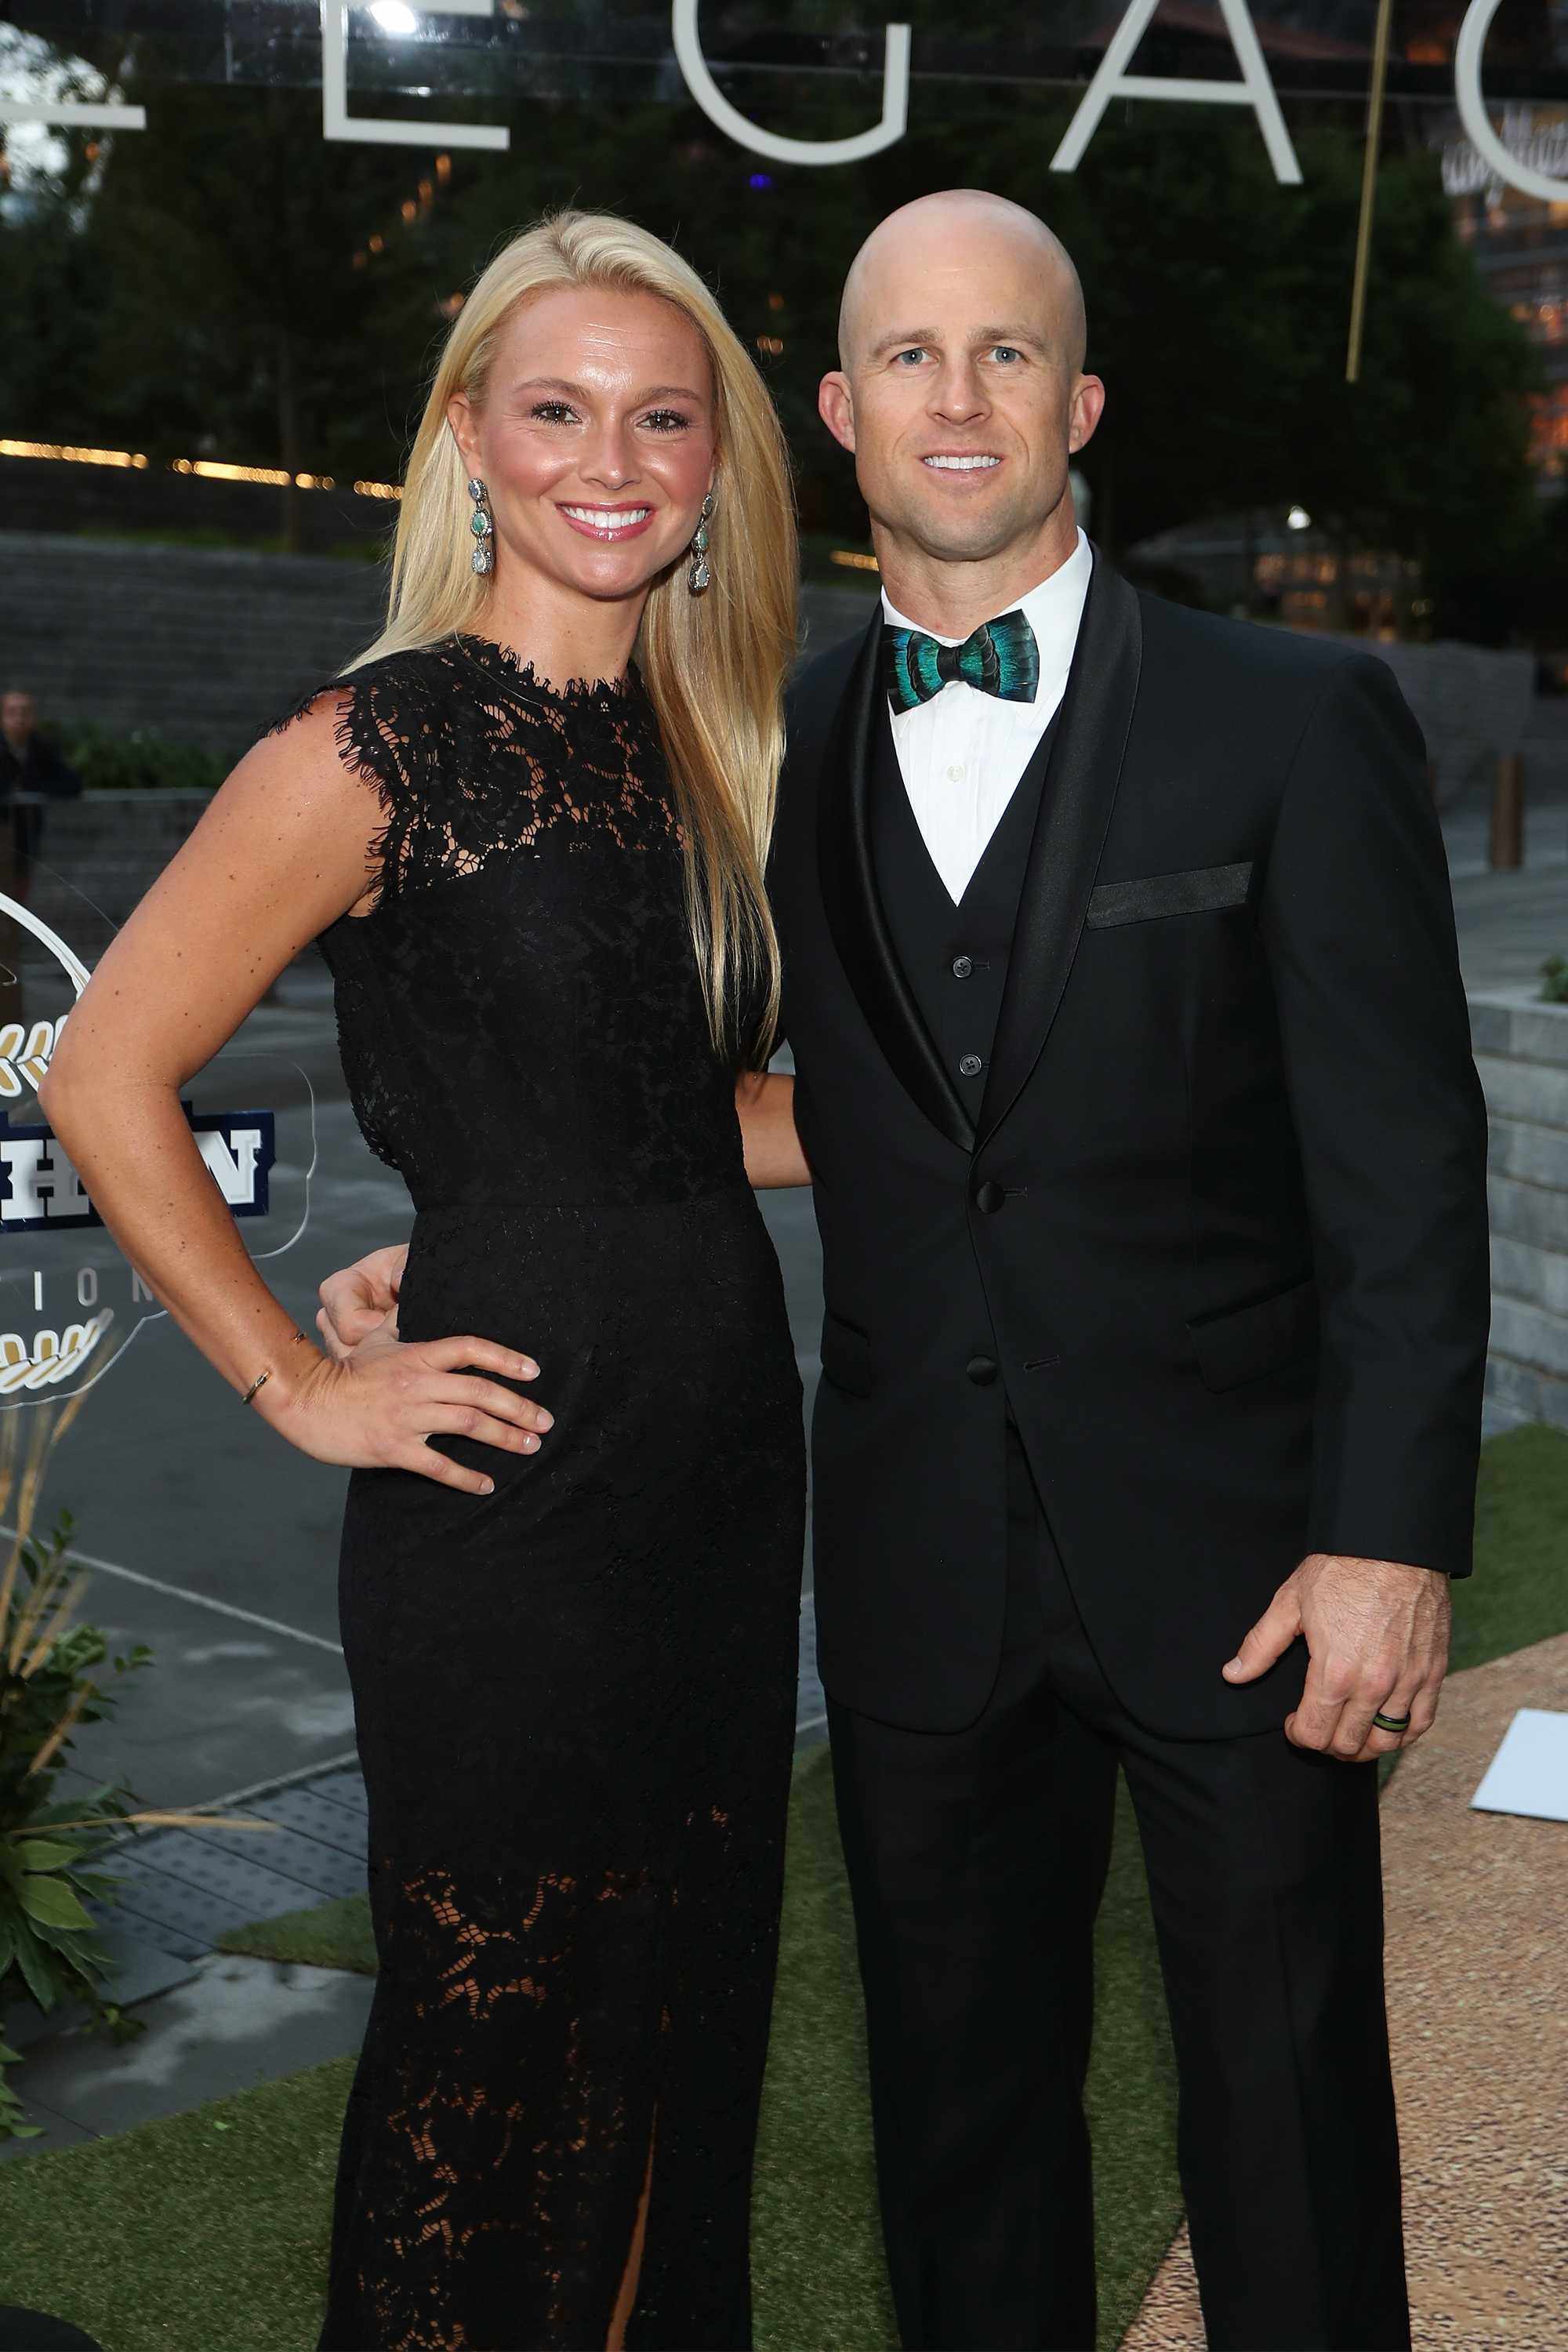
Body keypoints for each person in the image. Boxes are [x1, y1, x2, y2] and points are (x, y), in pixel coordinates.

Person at [322, 188, 1492, 2352]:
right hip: (911, 1569)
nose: (962, 399)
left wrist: (1389, 1544)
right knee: (958, 2129)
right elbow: (794, 1104)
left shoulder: (1293, 718)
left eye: (1012, 354)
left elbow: (1409, 1172)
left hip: (1244, 1565)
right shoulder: (765, 738)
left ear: (1082, 403)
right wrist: (497, 1220)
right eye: (914, 361)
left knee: (1287, 2111)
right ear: (842, 412)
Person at [38, 209, 810, 2352]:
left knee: (674, 2019)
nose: (614, 455)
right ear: (468, 436)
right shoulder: (368, 748)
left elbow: (701, 1115)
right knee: (486, 2041)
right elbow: (110, 1068)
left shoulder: (708, 744)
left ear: (718, 470)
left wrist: (986, 1106)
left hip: (726, 1464)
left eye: (666, 416)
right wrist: (293, 1377)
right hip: (504, 1497)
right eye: (557, 406)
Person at [0, 689, 82, 902]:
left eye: (25, 712)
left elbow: (72, 783)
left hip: (25, 838)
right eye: (12, 712)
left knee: (18, 899)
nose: (19, 719)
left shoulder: (39, 747)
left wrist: (32, 790)